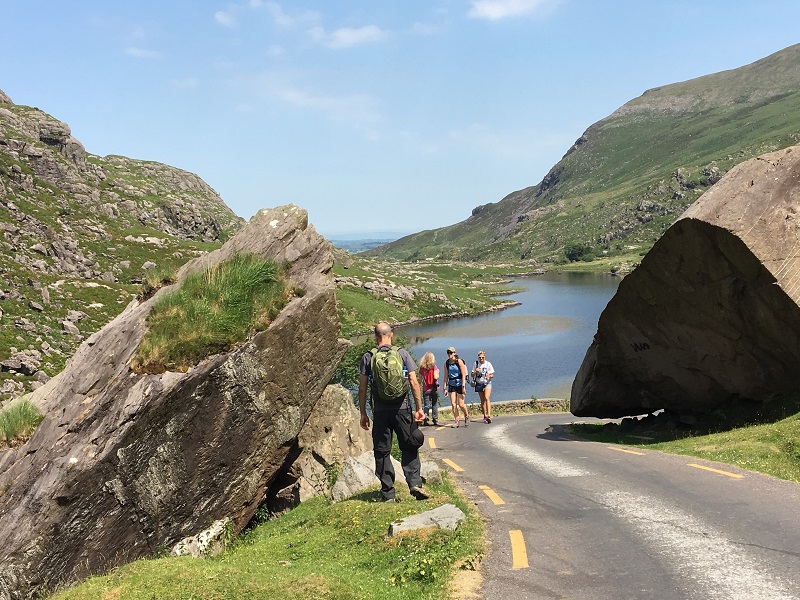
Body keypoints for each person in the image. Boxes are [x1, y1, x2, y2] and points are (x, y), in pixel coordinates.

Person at [358, 321, 429, 502]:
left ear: (375, 337)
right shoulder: (402, 353)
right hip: (402, 409)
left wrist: (363, 413)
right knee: (409, 445)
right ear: (392, 335)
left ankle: (388, 493)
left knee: (382, 451)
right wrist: (419, 408)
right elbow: (414, 382)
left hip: (381, 412)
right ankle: (414, 484)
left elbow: (363, 388)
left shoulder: (368, 357)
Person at [444, 346, 469, 427]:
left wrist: (463, 386)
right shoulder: (447, 363)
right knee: (453, 404)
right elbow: (446, 376)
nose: (449, 354)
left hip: (459, 383)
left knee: (461, 404)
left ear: (454, 353)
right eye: (448, 353)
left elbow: (463, 374)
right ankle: (457, 420)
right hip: (451, 384)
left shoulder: (459, 361)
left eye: (451, 352)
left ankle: (466, 415)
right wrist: (444, 387)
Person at [472, 350, 495, 423]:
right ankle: (484, 415)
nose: (481, 359)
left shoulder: (488, 364)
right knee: (482, 400)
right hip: (479, 383)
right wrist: (476, 371)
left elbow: (492, 374)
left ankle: (489, 415)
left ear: (485, 357)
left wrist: (489, 375)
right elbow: (472, 375)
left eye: (482, 357)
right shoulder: (476, 364)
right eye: (480, 357)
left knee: (487, 397)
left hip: (487, 383)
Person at [418, 352, 440, 426]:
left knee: (426, 405)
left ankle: (426, 418)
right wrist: (438, 372)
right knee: (434, 404)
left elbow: (420, 377)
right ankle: (435, 419)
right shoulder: (434, 367)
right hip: (434, 388)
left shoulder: (422, 368)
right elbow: (436, 377)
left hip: (426, 389)